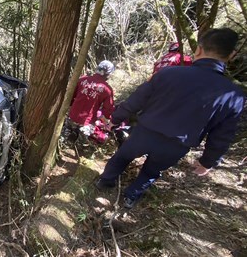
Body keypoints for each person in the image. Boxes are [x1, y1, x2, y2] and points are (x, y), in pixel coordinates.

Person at [95, 28, 245, 209]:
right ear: (232, 55)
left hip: (145, 132)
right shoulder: (234, 95)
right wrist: (208, 161)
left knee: (122, 156)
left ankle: (105, 181)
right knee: (152, 170)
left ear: (198, 50)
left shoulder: (168, 74)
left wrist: (115, 119)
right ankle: (131, 197)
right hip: (177, 145)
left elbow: (137, 100)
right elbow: (222, 135)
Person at [66, 60, 115, 142]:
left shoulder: (83, 79)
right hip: (87, 122)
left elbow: (71, 97)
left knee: (67, 138)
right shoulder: (107, 89)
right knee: (84, 144)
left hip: (72, 116)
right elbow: (108, 109)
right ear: (108, 74)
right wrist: (106, 119)